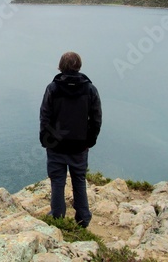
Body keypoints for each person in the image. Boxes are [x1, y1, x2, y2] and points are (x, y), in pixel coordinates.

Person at [39, 51, 102, 228]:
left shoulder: (53, 88)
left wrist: (46, 140)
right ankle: (83, 220)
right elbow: (96, 118)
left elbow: (45, 116)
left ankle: (57, 218)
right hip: (80, 146)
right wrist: (90, 141)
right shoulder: (90, 89)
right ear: (79, 66)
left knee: (57, 182)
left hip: (56, 146)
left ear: (61, 66)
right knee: (79, 181)